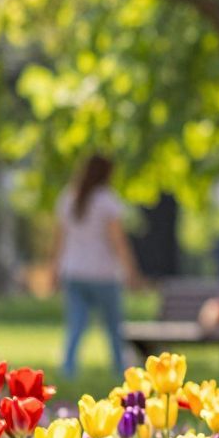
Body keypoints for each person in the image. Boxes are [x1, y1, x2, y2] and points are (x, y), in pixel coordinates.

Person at [52, 155, 140, 376]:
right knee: (113, 327)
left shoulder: (68, 198)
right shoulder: (107, 201)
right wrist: (131, 271)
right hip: (103, 274)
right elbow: (118, 242)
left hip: (74, 271)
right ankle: (121, 371)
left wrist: (53, 269)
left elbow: (58, 240)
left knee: (76, 326)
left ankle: (69, 369)